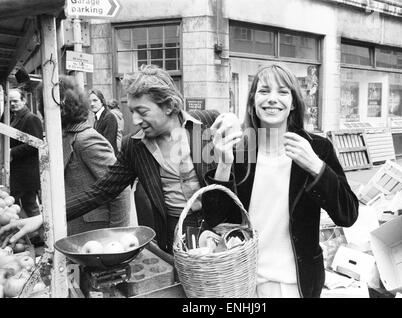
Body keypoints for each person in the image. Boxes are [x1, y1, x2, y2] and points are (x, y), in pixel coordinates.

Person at [0, 65, 240, 252]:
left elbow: (244, 173)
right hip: (175, 235)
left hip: (222, 232)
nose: (134, 120)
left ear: (168, 106)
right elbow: (100, 191)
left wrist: (236, 131)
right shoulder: (134, 147)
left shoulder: (208, 124)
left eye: (142, 111)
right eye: (132, 110)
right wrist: (44, 218)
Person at [206, 64, 359, 298]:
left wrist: (316, 167)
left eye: (283, 92)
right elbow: (217, 223)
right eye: (264, 91)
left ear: (294, 102)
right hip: (244, 281)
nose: (272, 99)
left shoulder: (317, 148)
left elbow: (347, 214)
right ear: (252, 101)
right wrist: (224, 164)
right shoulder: (240, 151)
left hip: (295, 284)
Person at [56, 76, 130, 235]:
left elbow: (120, 189)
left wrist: (118, 238)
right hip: (76, 228)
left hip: (96, 233)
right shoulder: (67, 136)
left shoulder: (85, 139)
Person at [8, 88, 43, 218]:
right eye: (10, 101)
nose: (12, 104)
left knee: (30, 205)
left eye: (15, 101)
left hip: (27, 173)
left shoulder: (31, 118)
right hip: (19, 172)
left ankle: (40, 236)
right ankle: (32, 235)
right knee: (18, 205)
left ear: (24, 101)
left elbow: (36, 145)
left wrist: (12, 152)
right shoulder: (12, 117)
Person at [89, 89, 119, 154]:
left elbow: (108, 144)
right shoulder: (97, 118)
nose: (92, 104)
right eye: (90, 101)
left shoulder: (109, 117)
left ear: (102, 101)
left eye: (95, 100)